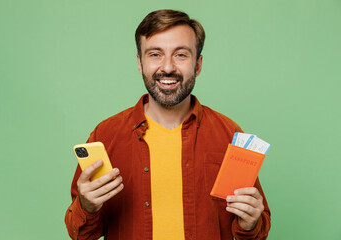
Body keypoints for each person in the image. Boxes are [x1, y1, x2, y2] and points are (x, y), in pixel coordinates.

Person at [65, 9, 271, 240]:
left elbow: (257, 230)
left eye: (181, 55)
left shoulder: (229, 134)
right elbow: (81, 234)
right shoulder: (106, 135)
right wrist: (87, 206)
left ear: (198, 64)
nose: (168, 67)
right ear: (140, 63)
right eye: (155, 54)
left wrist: (251, 221)